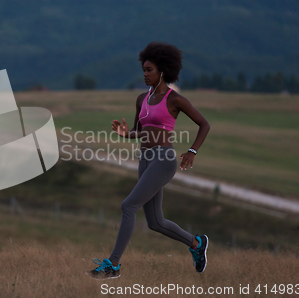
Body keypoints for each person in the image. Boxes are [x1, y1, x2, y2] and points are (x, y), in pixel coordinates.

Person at [87, 42, 211, 279]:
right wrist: (127, 134)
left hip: (163, 160)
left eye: (149, 70)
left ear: (163, 70)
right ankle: (196, 244)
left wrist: (192, 151)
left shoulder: (175, 99)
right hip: (144, 159)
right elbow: (140, 130)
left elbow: (204, 124)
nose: (144, 74)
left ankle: (113, 265)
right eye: (143, 69)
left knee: (128, 206)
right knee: (155, 222)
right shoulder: (141, 99)